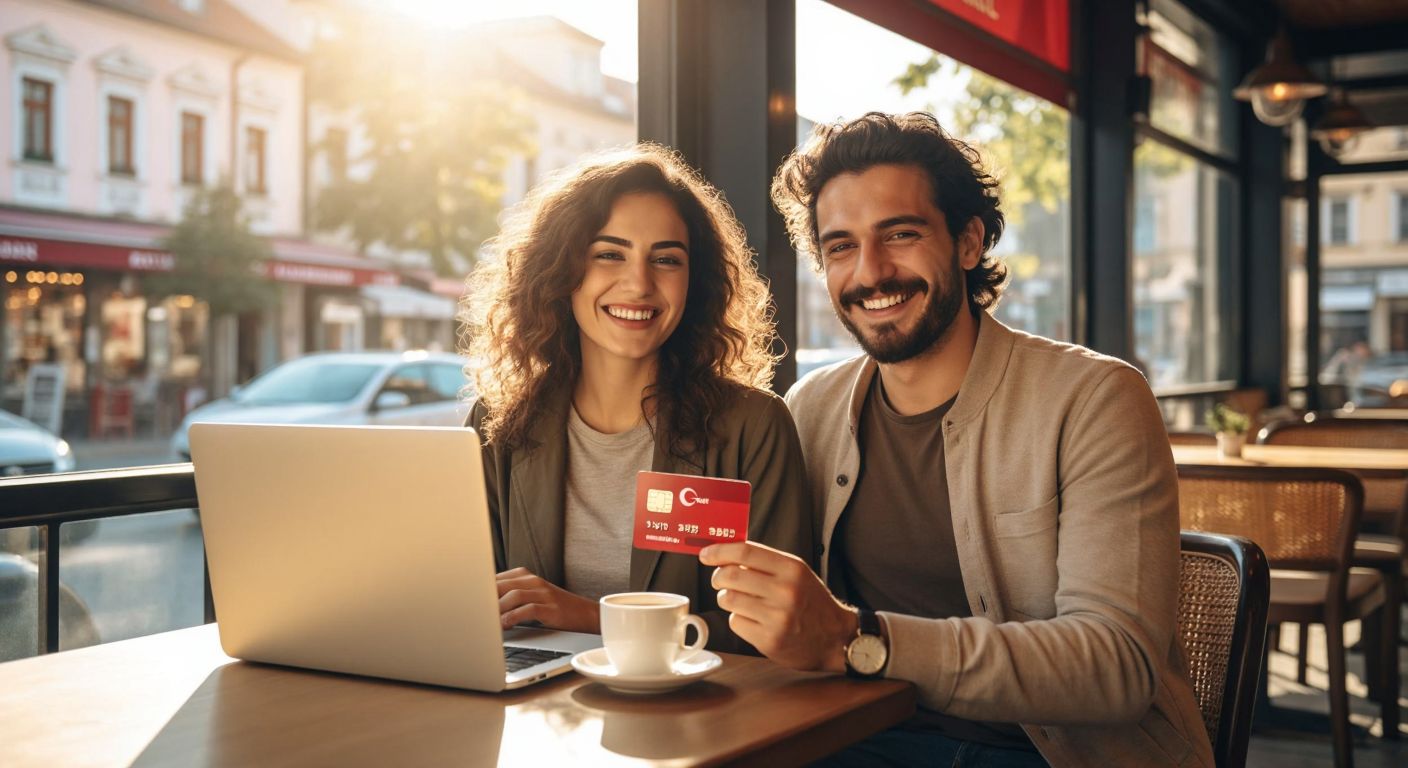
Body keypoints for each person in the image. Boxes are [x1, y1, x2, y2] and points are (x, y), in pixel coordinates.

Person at [701, 113, 1213, 766]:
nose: (871, 273)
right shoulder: (811, 409)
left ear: (968, 242)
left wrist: (864, 641)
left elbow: (1115, 666)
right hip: (850, 736)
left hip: (1049, 753)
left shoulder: (1094, 398)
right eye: (840, 247)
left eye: (901, 234)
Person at [461, 144, 814, 654]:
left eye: (666, 259)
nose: (639, 283)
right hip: (537, 711)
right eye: (610, 253)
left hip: (698, 718)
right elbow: (474, 603)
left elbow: (777, 628)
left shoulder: (752, 426)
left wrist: (589, 618)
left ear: (695, 283)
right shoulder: (499, 424)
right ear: (563, 272)